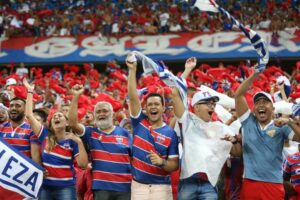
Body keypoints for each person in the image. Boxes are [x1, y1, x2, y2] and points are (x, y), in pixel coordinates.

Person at [171, 57, 241, 200]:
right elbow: (174, 93)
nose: (212, 106)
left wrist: (234, 141)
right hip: (187, 182)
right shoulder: (187, 121)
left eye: (213, 104)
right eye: (207, 103)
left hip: (209, 184)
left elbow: (237, 153)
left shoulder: (220, 127)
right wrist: (188, 70)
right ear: (196, 107)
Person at [235, 67, 300, 199]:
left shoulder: (281, 125)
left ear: (273, 108)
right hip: (250, 183)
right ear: (253, 109)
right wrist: (256, 74)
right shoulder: (248, 122)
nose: (261, 105)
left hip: (274, 184)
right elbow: (239, 95)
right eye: (257, 102)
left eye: (265, 102)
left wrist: (289, 122)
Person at [24, 79, 88, 200]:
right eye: (54, 117)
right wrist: (30, 91)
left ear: (67, 122)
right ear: (51, 123)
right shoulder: (44, 135)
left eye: (60, 115)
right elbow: (29, 115)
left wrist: (79, 142)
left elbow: (83, 164)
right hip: (45, 187)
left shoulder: (72, 140)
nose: (57, 116)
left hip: (66, 188)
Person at [126, 53, 179, 200]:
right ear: (146, 109)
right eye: (149, 105)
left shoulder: (170, 133)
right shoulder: (139, 123)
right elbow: (133, 98)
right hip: (138, 187)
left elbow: (174, 165)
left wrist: (162, 162)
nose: (153, 107)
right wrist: (132, 71)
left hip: (161, 188)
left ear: (163, 108)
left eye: (156, 104)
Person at [68, 84, 132, 200]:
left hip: (125, 187)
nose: (101, 114)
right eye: (98, 112)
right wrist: (76, 96)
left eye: (105, 111)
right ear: (94, 115)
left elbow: (134, 158)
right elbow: (72, 123)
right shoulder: (90, 132)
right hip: (101, 188)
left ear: (112, 115)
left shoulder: (125, 133)